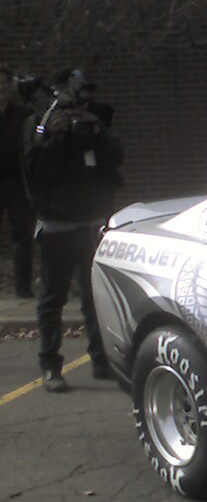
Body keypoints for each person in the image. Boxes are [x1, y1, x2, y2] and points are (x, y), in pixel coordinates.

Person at [22, 68, 123, 392]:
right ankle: (50, 366)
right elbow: (36, 171)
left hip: (92, 221)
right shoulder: (40, 124)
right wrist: (53, 136)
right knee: (53, 299)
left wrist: (96, 131)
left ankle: (100, 360)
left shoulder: (93, 122)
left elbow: (114, 160)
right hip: (57, 225)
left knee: (94, 295)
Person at [0, 67, 35, 298]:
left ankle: (23, 288)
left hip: (17, 182)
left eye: (3, 84)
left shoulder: (23, 114)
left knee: (23, 236)